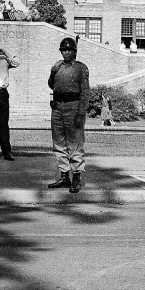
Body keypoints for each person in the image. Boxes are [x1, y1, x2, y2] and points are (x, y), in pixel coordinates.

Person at [47, 37, 90, 192]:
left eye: (69, 50)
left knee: (75, 142)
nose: (66, 52)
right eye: (63, 50)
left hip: (73, 106)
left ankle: (76, 177)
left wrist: (80, 114)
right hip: (57, 106)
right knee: (58, 142)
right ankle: (64, 176)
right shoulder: (57, 67)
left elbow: (85, 92)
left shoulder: (80, 68)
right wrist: (52, 72)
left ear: (74, 52)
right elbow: (51, 84)